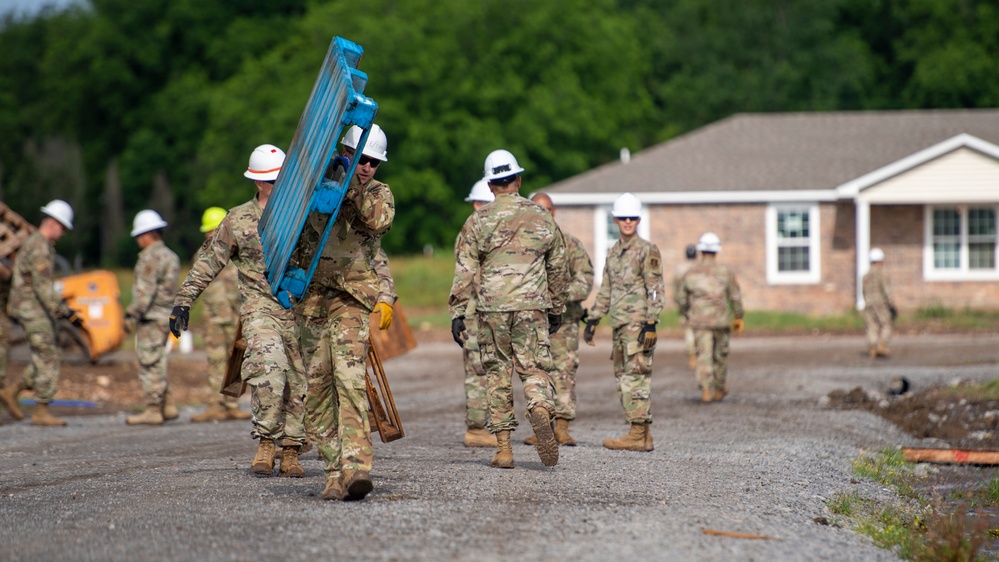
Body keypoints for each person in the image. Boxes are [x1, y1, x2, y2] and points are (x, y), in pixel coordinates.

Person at [172, 144, 308, 478]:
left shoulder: (303, 214)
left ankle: (291, 449)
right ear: (257, 183)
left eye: (281, 180)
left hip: (300, 310)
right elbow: (208, 262)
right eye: (271, 181)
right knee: (268, 367)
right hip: (259, 308)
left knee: (298, 379)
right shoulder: (238, 219)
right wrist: (183, 301)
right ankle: (266, 441)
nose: (277, 187)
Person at [449, 149, 568, 470]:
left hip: (492, 309)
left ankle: (503, 450)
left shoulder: (477, 221)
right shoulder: (542, 216)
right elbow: (559, 266)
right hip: (532, 306)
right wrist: (556, 308)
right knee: (534, 369)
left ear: (489, 186)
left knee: (497, 373)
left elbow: (465, 269)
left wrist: (458, 313)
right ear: (518, 179)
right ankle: (540, 408)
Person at [294, 124, 394, 501]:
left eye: (374, 162)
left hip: (351, 298)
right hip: (312, 300)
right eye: (361, 159)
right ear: (346, 152)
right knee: (318, 389)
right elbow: (292, 228)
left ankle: (357, 468)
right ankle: (334, 471)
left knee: (349, 382)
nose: (367, 167)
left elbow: (378, 220)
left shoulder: (379, 194)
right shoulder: (318, 186)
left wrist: (350, 182)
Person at [583, 192, 664, 452]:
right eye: (623, 218)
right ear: (615, 220)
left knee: (635, 377)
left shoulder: (646, 250)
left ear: (638, 220)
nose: (628, 222)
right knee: (623, 376)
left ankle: (637, 433)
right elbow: (606, 288)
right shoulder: (614, 252)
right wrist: (594, 318)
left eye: (632, 218)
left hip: (638, 325)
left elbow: (655, 289)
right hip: (619, 324)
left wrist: (651, 322)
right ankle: (644, 435)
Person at [0, 200, 83, 426]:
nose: (63, 233)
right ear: (53, 224)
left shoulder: (37, 243)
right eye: (63, 228)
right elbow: (43, 288)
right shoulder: (39, 246)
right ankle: (41, 410)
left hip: (32, 307)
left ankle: (12, 390)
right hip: (31, 308)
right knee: (48, 355)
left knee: (47, 352)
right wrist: (67, 313)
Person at [526, 192, 593, 447]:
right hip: (532, 321)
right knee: (535, 373)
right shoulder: (525, 245)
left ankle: (562, 428)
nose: (545, 215)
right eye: (538, 210)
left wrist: (558, 297)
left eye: (548, 210)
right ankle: (542, 425)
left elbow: (585, 280)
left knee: (564, 372)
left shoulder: (571, 244)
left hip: (563, 322)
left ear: (554, 212)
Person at [189, 207, 251, 422]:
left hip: (236, 317)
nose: (210, 235)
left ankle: (232, 403)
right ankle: (215, 405)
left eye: (213, 230)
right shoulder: (203, 254)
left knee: (237, 361)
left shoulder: (238, 252)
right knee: (216, 361)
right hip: (214, 318)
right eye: (208, 232)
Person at [123, 210, 180, 425]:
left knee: (149, 363)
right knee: (159, 360)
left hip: (151, 317)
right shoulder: (170, 256)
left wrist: (131, 314)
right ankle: (167, 405)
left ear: (148, 235)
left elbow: (144, 293)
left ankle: (153, 409)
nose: (138, 240)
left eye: (139, 235)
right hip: (165, 315)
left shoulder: (150, 257)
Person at [675, 232, 744, 403]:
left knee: (703, 356)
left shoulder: (691, 272)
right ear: (716, 251)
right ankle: (719, 388)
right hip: (721, 320)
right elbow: (735, 296)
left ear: (700, 250)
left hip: (700, 321)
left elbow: (681, 298)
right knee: (720, 355)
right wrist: (738, 316)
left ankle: (706, 390)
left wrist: (685, 312)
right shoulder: (725, 272)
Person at [457, 178, 496, 448]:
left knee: (490, 371)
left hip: (485, 312)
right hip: (478, 313)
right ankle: (477, 428)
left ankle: (487, 426)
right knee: (480, 371)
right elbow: (465, 276)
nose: (477, 207)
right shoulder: (473, 232)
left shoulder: (478, 230)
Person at [862, 247, 895, 358]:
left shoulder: (865, 276)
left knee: (872, 326)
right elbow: (886, 291)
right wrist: (891, 305)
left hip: (869, 304)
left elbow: (863, 291)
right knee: (886, 324)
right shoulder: (882, 274)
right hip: (881, 304)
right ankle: (882, 345)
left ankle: (872, 347)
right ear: (880, 261)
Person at [673, 244, 698, 369]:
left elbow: (676, 287)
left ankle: (692, 355)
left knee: (689, 330)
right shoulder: (699, 268)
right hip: (699, 303)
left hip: (685, 303)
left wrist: (678, 301)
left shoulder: (680, 269)